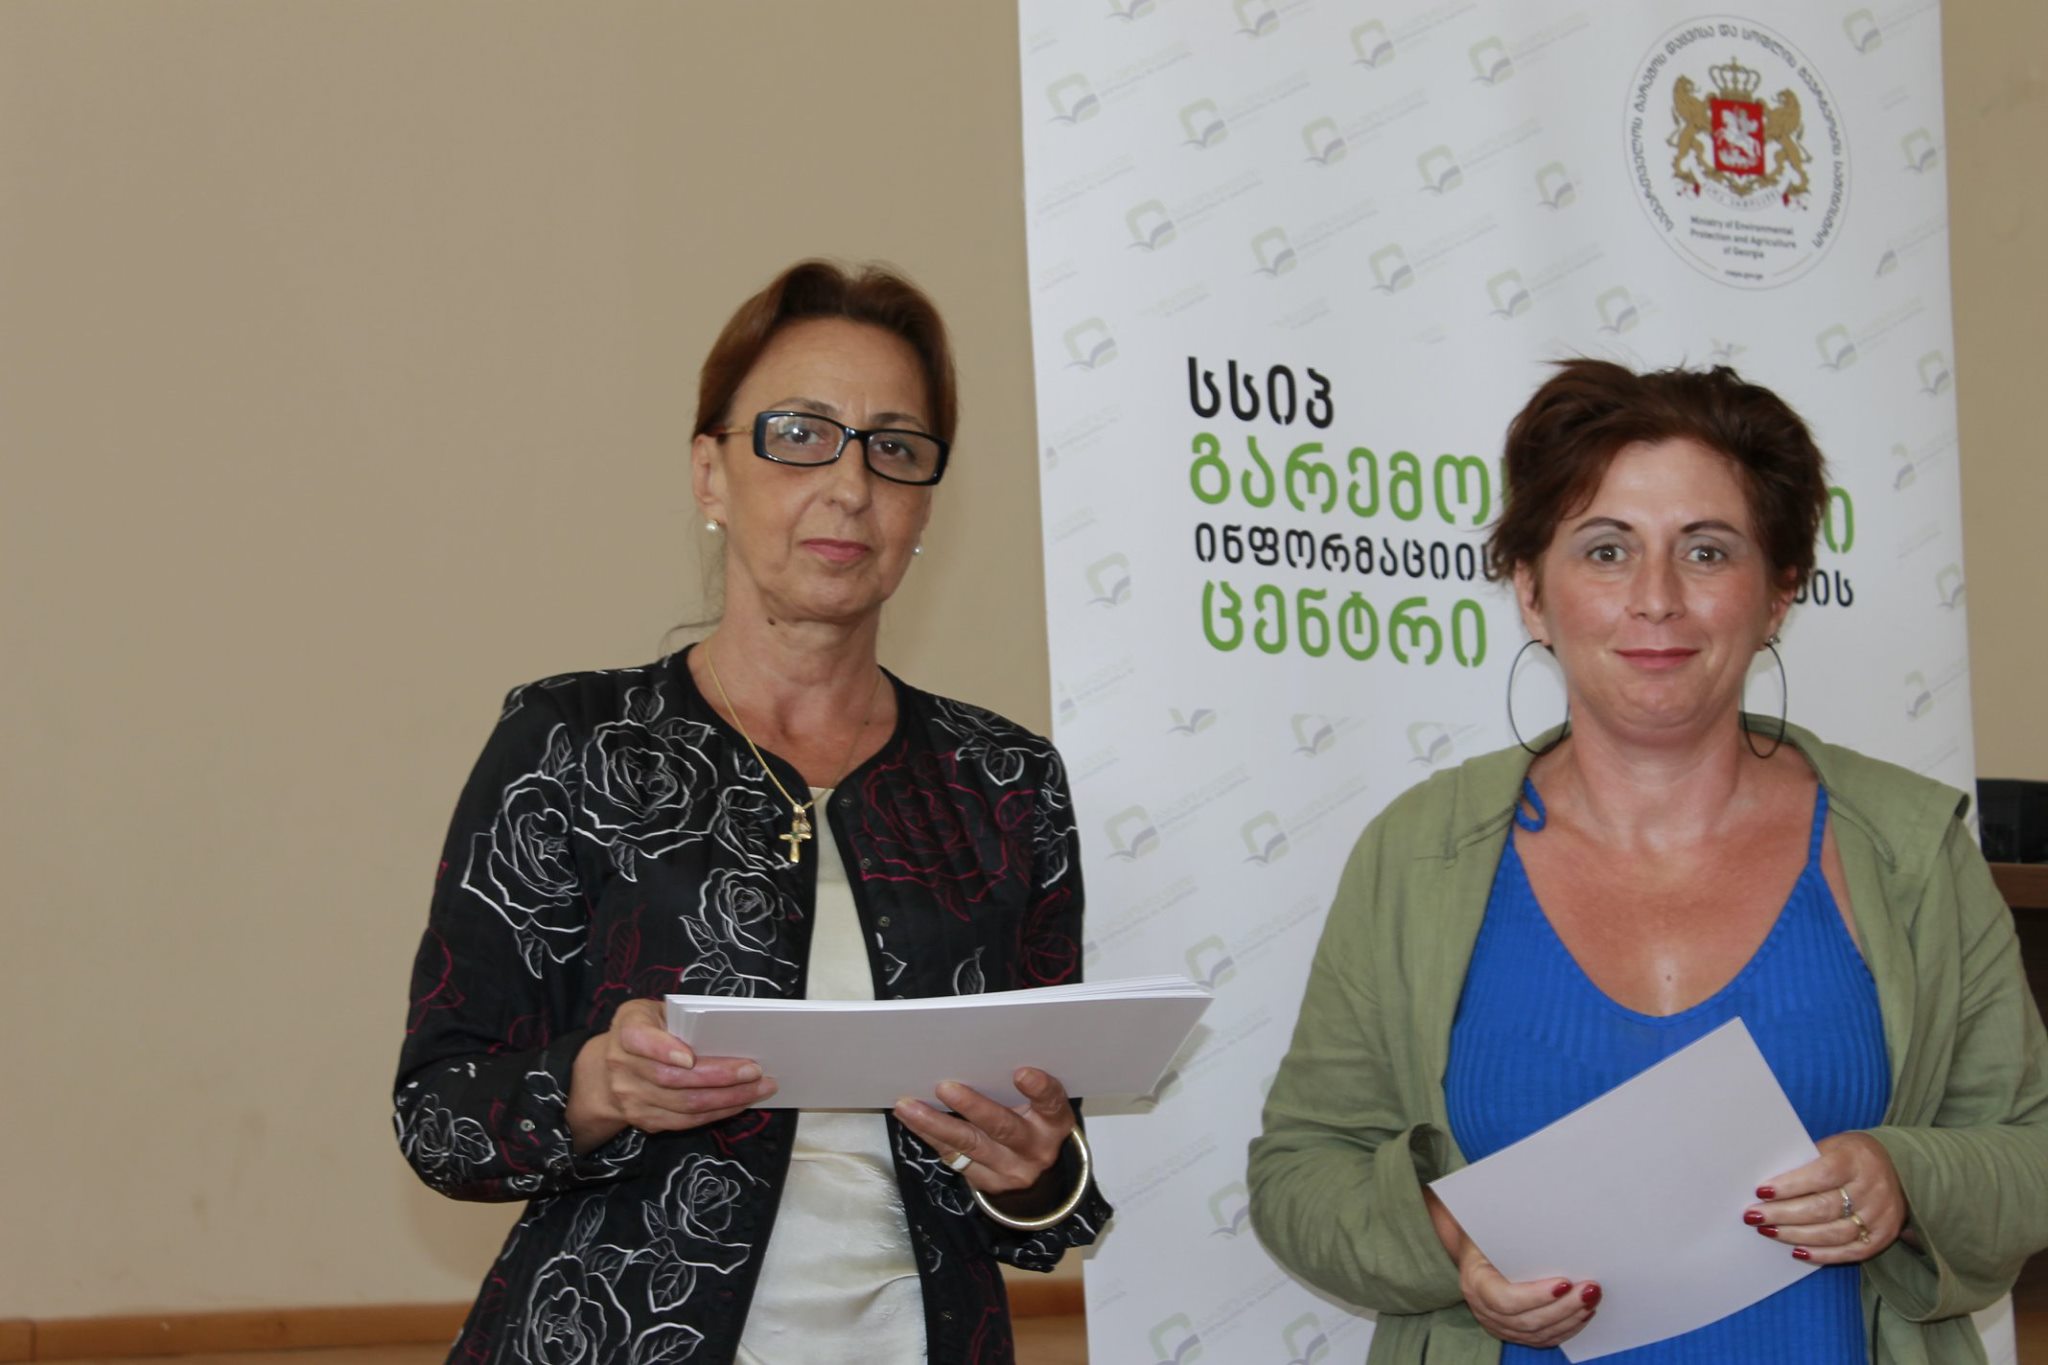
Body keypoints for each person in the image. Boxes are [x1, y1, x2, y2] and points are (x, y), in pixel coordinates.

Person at [1247, 360, 2048, 1363]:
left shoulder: (1908, 849)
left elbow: (2029, 1147)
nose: (1656, 598)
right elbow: (1300, 1169)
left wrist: (1905, 1179)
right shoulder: (1417, 854)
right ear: (1531, 592)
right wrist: (1450, 1235)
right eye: (1606, 550)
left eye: (1706, 551)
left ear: (1778, 593)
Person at [394, 260, 1108, 1364]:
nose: (850, 485)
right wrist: (594, 1084)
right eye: (800, 434)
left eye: (894, 448)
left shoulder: (1004, 782)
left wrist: (1034, 1167)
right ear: (709, 473)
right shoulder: (572, 741)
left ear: (924, 503)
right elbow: (440, 1115)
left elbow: (1048, 1189)